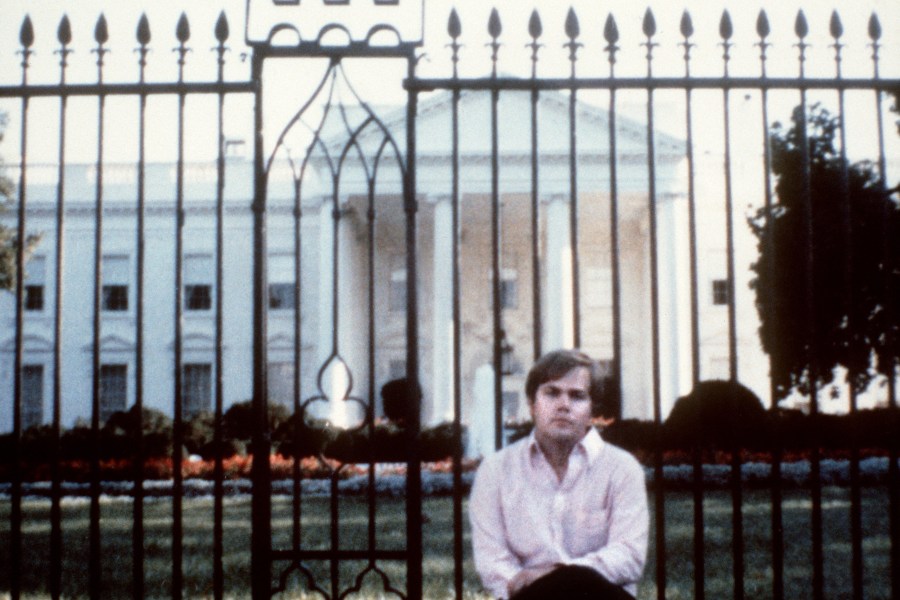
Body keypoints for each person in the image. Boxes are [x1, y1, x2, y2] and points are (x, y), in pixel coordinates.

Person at [469, 349, 649, 599]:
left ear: (592, 410)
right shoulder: (495, 471)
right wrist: (551, 585)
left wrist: (556, 574)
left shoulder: (622, 468)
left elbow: (628, 556)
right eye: (552, 393)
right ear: (532, 405)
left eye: (577, 396)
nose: (563, 405)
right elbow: (492, 561)